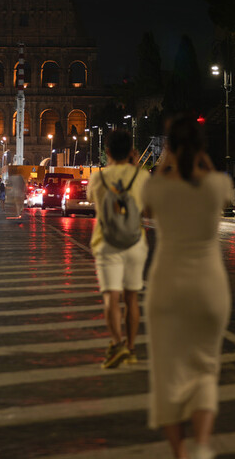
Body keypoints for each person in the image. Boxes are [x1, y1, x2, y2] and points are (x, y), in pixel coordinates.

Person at [141, 114, 233, 459]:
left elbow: (148, 201)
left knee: (168, 373)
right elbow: (214, 180)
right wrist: (200, 157)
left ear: (170, 148)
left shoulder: (158, 187)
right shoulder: (217, 186)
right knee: (206, 368)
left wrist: (167, 158)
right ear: (201, 148)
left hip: (167, 287)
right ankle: (203, 446)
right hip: (210, 289)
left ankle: (180, 453)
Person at [86, 128, 148, 370]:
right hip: (136, 243)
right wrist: (135, 167)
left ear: (107, 151)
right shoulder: (141, 177)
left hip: (107, 243)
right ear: (131, 151)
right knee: (131, 298)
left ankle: (117, 342)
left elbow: (93, 199)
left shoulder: (97, 178)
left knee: (111, 297)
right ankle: (131, 349)